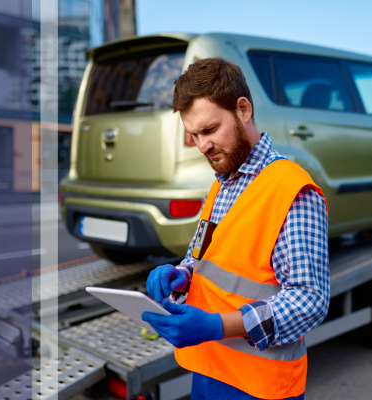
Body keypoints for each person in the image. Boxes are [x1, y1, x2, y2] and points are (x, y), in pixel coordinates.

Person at [142, 57, 329, 400]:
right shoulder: (221, 185)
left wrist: (217, 326)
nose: (202, 146)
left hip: (261, 387)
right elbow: (204, 257)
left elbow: (310, 301)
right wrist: (182, 273)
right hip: (210, 370)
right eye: (194, 135)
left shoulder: (291, 190)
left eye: (210, 130)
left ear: (243, 109)